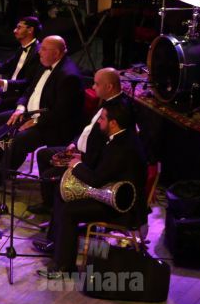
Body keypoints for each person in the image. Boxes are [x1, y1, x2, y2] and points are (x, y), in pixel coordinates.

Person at [37, 104, 147, 277]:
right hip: (113, 195)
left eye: (102, 118)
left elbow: (96, 180)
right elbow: (106, 167)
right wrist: (82, 159)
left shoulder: (121, 147)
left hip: (121, 207)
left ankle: (64, 267)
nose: (99, 122)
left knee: (69, 211)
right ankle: (58, 247)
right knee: (63, 195)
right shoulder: (123, 137)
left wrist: (77, 165)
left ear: (113, 123)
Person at [0, 35, 84, 186]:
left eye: (44, 49)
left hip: (52, 125)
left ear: (56, 53)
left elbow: (61, 113)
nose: (39, 52)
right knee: (1, 119)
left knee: (20, 139)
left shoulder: (69, 76)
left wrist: (35, 121)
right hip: (31, 114)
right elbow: (28, 91)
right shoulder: (45, 63)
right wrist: (20, 109)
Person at [31, 68, 129, 215]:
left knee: (48, 175)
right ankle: (49, 204)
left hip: (89, 161)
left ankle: (58, 206)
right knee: (43, 154)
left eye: (96, 84)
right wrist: (75, 143)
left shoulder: (118, 110)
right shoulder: (106, 101)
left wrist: (81, 159)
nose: (93, 87)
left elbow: (106, 147)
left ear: (109, 87)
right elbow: (88, 128)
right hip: (79, 150)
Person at [0, 16, 42, 115]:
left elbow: (28, 82)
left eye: (19, 27)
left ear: (30, 30)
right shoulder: (21, 48)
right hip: (11, 89)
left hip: (21, 95)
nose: (15, 31)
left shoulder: (37, 52)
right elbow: (5, 67)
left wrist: (1, 82)